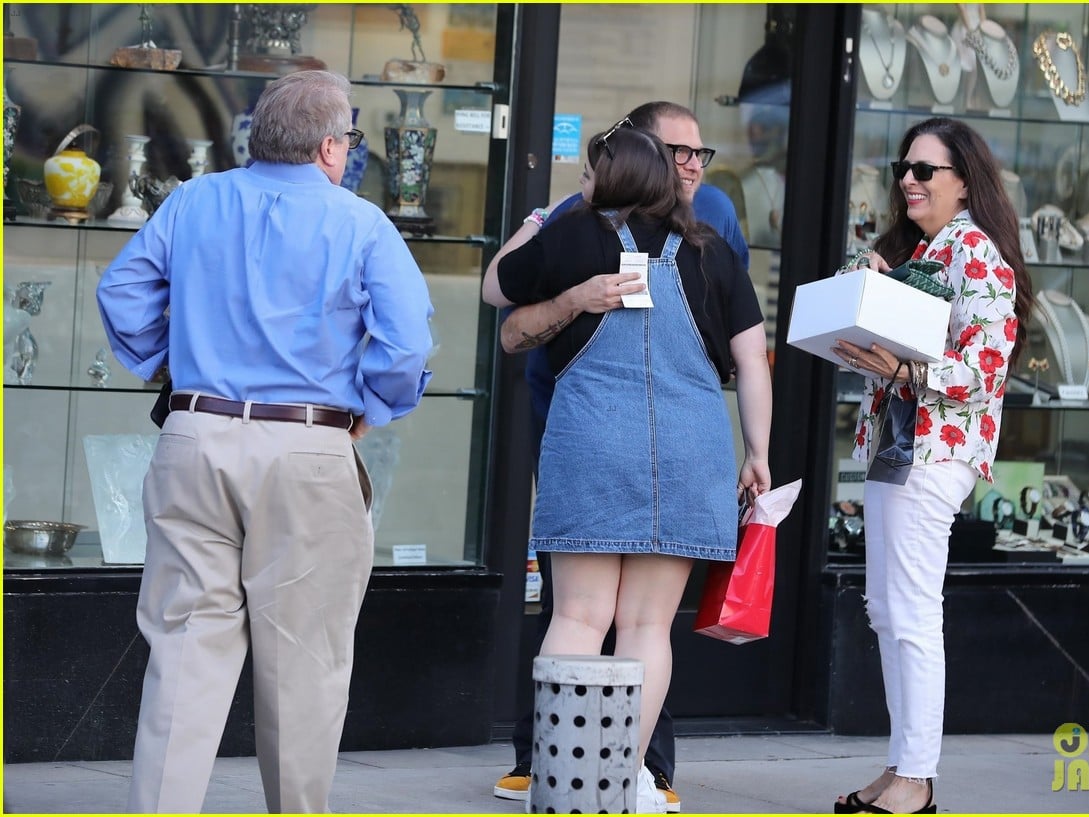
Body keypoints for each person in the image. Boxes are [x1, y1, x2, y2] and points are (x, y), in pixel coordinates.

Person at [96, 70, 434, 813]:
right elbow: (406, 347)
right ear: (330, 147)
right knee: (307, 662)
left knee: (185, 651)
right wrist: (373, 406)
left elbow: (121, 292)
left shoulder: (193, 201)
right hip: (307, 446)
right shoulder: (363, 223)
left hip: (195, 432)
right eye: (348, 138)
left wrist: (169, 362)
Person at [482, 120, 771, 813]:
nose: (585, 183)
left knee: (578, 616)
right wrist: (758, 451)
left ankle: (562, 777)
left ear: (610, 178)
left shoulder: (571, 236)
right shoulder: (711, 252)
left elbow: (497, 288)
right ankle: (624, 776)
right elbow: (753, 361)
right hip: (691, 450)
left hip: (591, 441)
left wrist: (535, 221)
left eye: (591, 172)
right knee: (646, 626)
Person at [829, 117, 1031, 815]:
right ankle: (902, 764)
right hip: (899, 444)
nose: (908, 181)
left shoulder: (975, 252)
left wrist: (904, 368)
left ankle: (916, 777)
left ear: (964, 182)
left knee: (910, 611)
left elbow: (986, 368)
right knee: (887, 609)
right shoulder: (924, 250)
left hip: (935, 449)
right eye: (903, 169)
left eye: (925, 170)